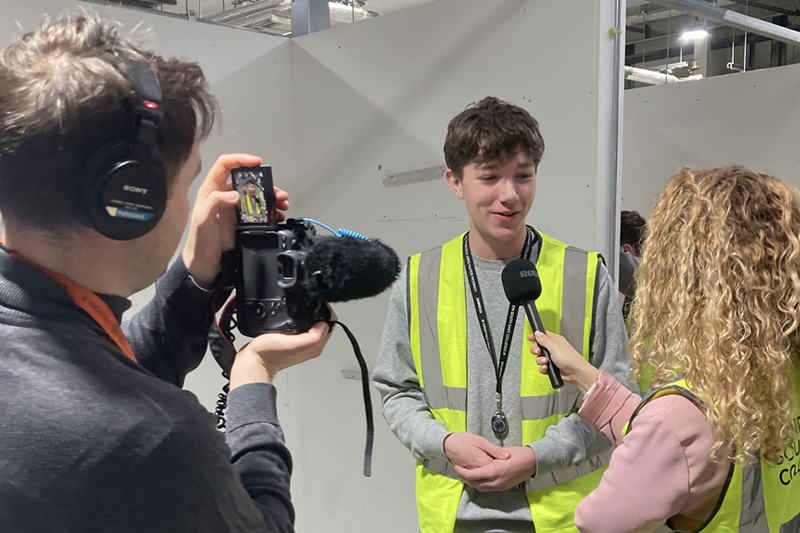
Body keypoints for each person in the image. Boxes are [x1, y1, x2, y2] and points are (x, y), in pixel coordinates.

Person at [0, 15, 334, 531]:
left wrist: (195, 276)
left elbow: (97, 370)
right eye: (183, 186)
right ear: (129, 199)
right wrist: (252, 381)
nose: (188, 208)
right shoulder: (154, 442)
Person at [372, 96, 634, 532]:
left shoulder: (585, 276)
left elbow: (619, 397)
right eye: (490, 177)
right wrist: (445, 441)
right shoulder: (421, 278)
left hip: (563, 515)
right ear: (455, 181)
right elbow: (396, 390)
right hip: (452, 513)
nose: (509, 195)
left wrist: (536, 458)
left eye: (524, 176)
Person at [533, 166, 800, 532]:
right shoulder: (782, 374)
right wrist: (587, 377)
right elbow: (674, 447)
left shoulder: (681, 418)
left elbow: (598, 521)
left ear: (679, 271)